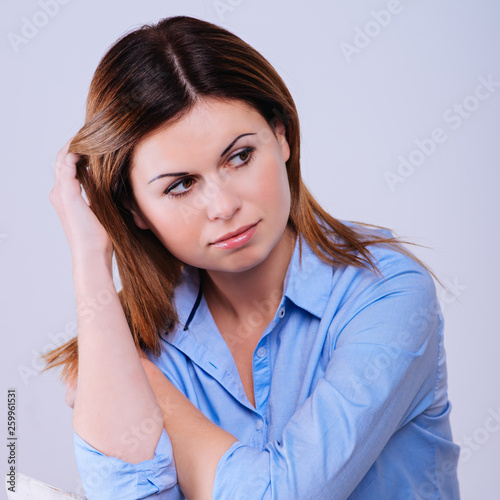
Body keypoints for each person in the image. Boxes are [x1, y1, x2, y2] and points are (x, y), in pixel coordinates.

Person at [45, 15, 461, 500]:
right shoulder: (138, 337)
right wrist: (90, 262)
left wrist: (150, 391)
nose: (223, 206)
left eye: (239, 157)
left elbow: (285, 494)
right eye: (181, 185)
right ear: (135, 209)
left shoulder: (386, 291)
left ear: (281, 136)